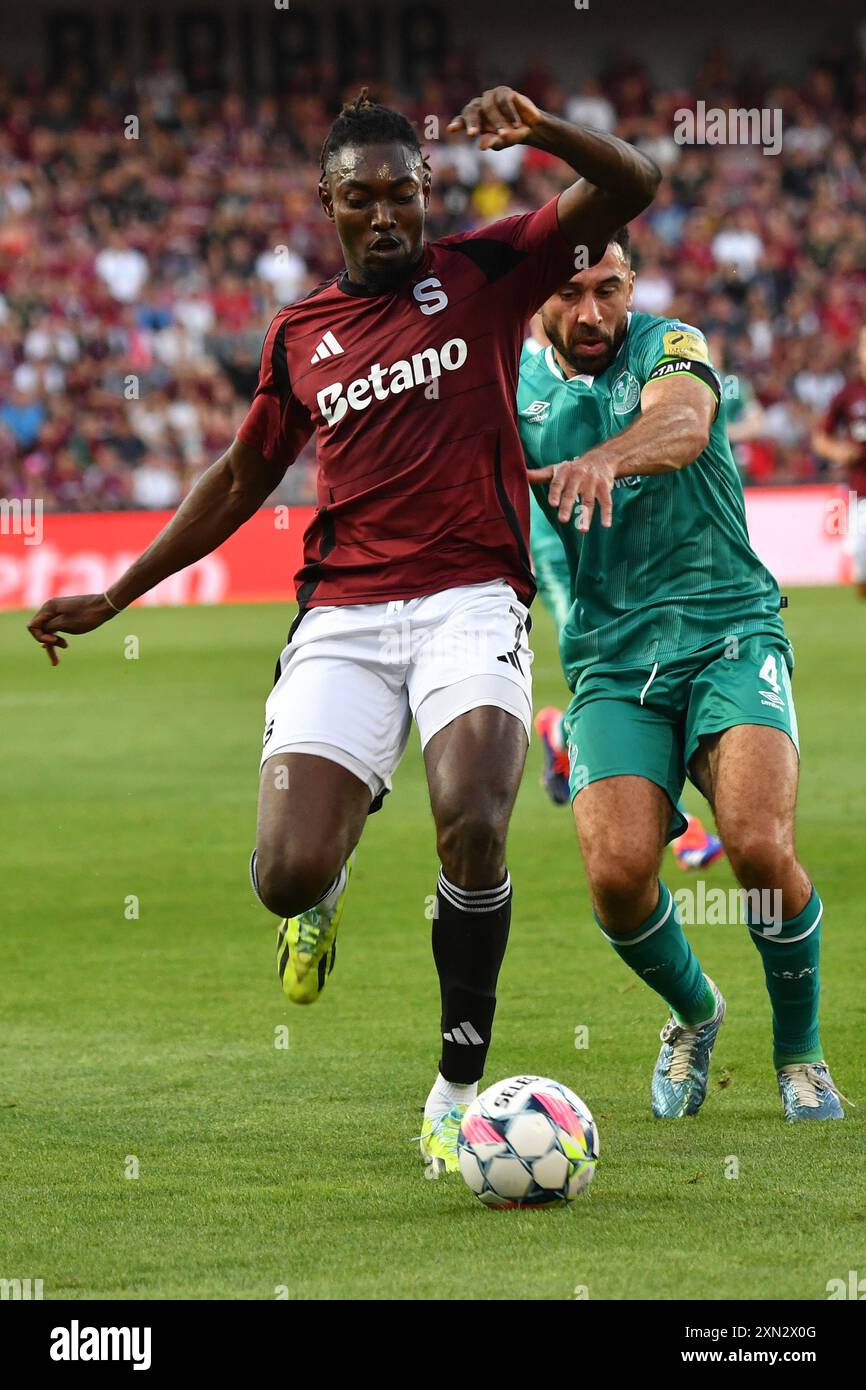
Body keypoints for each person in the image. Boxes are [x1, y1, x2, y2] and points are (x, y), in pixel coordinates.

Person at [27, 89, 660, 1173]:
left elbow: (632, 184)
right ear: (326, 202)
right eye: (358, 197)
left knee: (472, 821)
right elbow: (239, 476)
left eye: (400, 194)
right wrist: (119, 592)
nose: (383, 215)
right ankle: (317, 898)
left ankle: (455, 1085)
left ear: (425, 192)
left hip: (470, 602)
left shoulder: (484, 270)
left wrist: (543, 131)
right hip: (345, 617)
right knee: (282, 869)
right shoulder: (299, 335)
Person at [517, 229, 844, 1122]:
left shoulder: (672, 344)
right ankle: (696, 1015)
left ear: (635, 285)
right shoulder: (510, 390)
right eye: (575, 291)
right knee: (617, 874)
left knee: (756, 843)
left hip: (728, 625)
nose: (595, 313)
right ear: (540, 291)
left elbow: (687, 423)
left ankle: (800, 1050)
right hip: (615, 658)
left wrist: (607, 458)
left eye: (612, 289)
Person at [525, 329, 724, 869]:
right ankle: (682, 829)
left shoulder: (615, 350)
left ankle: (558, 730)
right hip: (556, 535)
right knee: (604, 661)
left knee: (639, 658)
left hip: (615, 522)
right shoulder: (516, 364)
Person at [813, 324, 866, 600]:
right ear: (859, 351)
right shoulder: (849, 393)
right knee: (859, 555)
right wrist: (839, 452)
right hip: (862, 491)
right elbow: (821, 438)